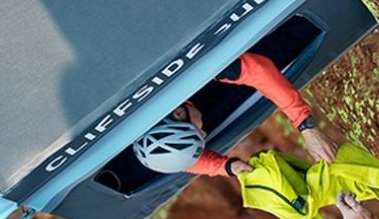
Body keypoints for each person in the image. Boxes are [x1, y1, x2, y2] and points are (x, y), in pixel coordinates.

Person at [133, 51, 338, 177]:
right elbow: (187, 161)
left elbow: (260, 71)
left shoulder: (194, 69)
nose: (204, 133)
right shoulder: (143, 125)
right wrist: (227, 167)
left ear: (178, 113)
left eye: (196, 132)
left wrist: (305, 126)